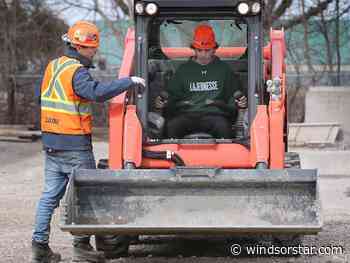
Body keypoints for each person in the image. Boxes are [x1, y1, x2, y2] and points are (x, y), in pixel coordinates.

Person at [31, 21, 145, 263]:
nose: (95, 51)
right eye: (92, 47)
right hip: (74, 144)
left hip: (51, 143)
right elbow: (96, 93)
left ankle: (39, 247)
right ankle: (82, 247)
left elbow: (40, 99)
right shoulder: (76, 71)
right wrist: (129, 82)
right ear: (81, 46)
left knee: (49, 196)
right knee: (87, 195)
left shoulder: (53, 66)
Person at [155, 24, 247, 138]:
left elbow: (234, 97)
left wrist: (240, 103)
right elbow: (171, 96)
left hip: (215, 115)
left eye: (207, 50)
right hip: (186, 115)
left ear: (214, 49)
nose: (203, 55)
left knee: (224, 128)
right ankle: (169, 154)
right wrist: (162, 102)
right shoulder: (183, 70)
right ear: (194, 49)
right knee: (172, 127)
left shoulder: (224, 70)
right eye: (199, 50)